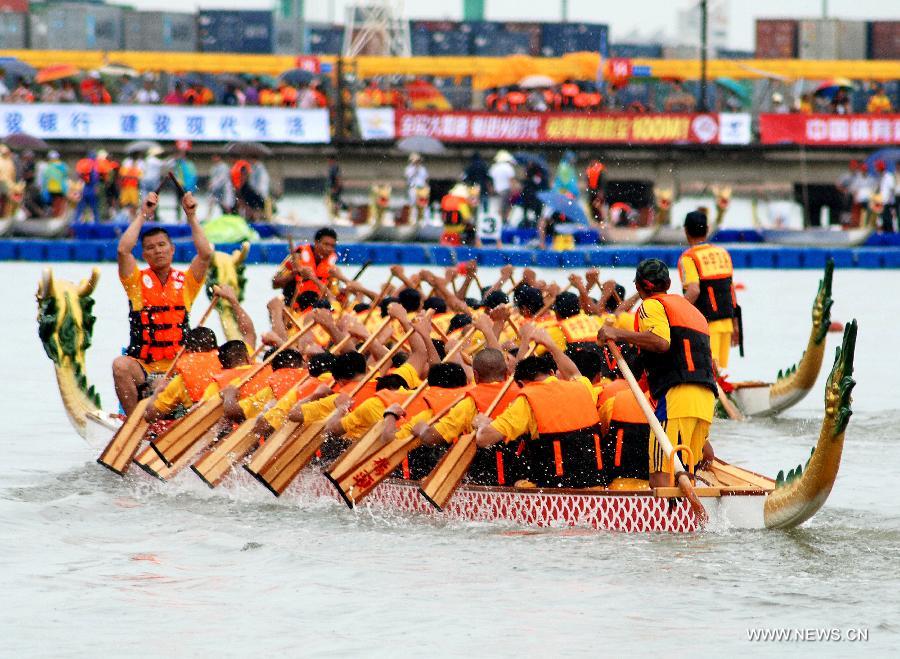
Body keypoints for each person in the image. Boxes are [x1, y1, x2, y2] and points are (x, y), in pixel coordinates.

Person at [597, 259, 716, 488]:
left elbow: (661, 343)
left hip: (678, 397)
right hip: (706, 399)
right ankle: (690, 523)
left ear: (640, 287)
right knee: (685, 471)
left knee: (661, 476)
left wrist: (617, 333)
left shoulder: (650, 305)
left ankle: (662, 523)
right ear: (669, 283)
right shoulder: (693, 311)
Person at [112, 189, 213, 414]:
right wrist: (143, 215)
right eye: (150, 248)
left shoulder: (186, 282)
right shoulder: (136, 282)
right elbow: (122, 250)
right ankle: (133, 424)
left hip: (179, 367)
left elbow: (205, 253)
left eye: (162, 245)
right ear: (144, 256)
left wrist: (192, 216)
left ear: (172, 249)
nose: (157, 251)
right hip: (145, 367)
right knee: (120, 365)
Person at [473, 326, 603, 488]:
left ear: (520, 384)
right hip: (594, 488)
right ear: (551, 372)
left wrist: (482, 424)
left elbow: (484, 439)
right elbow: (573, 373)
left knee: (517, 481)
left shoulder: (527, 400)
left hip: (553, 494)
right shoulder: (583, 387)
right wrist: (550, 345)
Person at [677, 210, 738, 369]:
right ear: (707, 229)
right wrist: (736, 324)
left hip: (706, 325)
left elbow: (694, 290)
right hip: (727, 322)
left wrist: (675, 312)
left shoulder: (689, 257)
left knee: (708, 371)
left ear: (686, 230)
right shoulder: (722, 253)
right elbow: (730, 289)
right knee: (721, 371)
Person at [272, 227, 344, 308]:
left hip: (317, 308)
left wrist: (344, 291)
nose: (329, 249)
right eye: (326, 244)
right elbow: (275, 284)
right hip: (292, 306)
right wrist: (294, 274)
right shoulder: (297, 257)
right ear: (316, 242)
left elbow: (334, 293)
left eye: (332, 246)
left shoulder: (332, 265)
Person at [488, 150, 516, 224]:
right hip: (505, 190)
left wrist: (491, 189)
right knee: (505, 207)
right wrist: (513, 190)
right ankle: (503, 223)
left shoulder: (494, 167)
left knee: (497, 207)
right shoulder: (508, 167)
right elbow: (511, 180)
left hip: (496, 190)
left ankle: (497, 222)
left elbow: (490, 180)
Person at [73, 151, 101, 223]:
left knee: (80, 208)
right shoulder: (94, 165)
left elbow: (79, 175)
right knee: (95, 209)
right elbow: (95, 178)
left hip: (84, 190)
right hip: (92, 190)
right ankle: (97, 223)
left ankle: (75, 222)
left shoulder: (84, 164)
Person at [40, 151, 69, 217]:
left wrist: (43, 188)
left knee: (54, 202)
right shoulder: (62, 166)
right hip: (60, 187)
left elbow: (45, 177)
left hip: (51, 187)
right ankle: (59, 215)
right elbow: (65, 175)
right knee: (60, 202)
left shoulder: (48, 166)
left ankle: (56, 215)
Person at [876, 160, 896, 233]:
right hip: (882, 202)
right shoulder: (881, 178)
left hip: (888, 202)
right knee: (883, 219)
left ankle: (890, 234)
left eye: (878, 168)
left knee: (888, 220)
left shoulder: (888, 176)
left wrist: (889, 200)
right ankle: (885, 233)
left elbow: (892, 189)